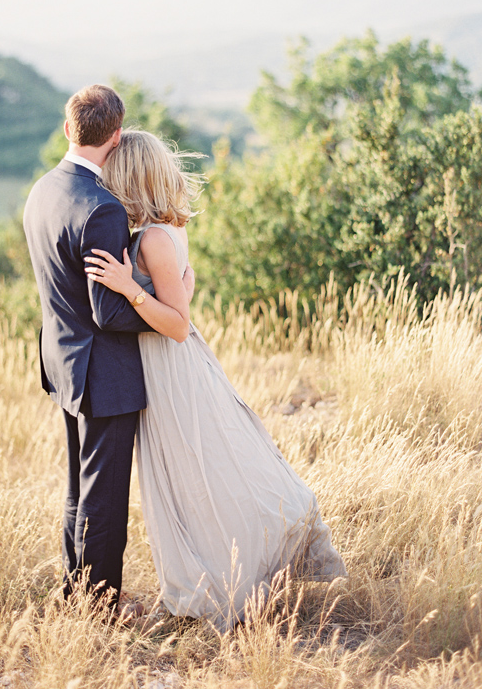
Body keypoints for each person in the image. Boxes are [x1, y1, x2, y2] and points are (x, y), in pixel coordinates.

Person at [85, 129, 347, 630]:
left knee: (196, 473)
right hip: (167, 364)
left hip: (170, 367)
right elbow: (183, 292)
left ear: (131, 177)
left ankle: (223, 582)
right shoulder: (166, 231)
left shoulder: (156, 238)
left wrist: (126, 289)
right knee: (196, 473)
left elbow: (177, 326)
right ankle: (218, 574)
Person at [23, 85, 194, 616]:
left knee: (79, 487)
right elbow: (109, 311)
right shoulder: (102, 210)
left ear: (68, 127)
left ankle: (76, 593)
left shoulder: (44, 189)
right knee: (104, 496)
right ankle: (99, 606)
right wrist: (164, 298)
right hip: (105, 374)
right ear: (116, 136)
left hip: (64, 361)